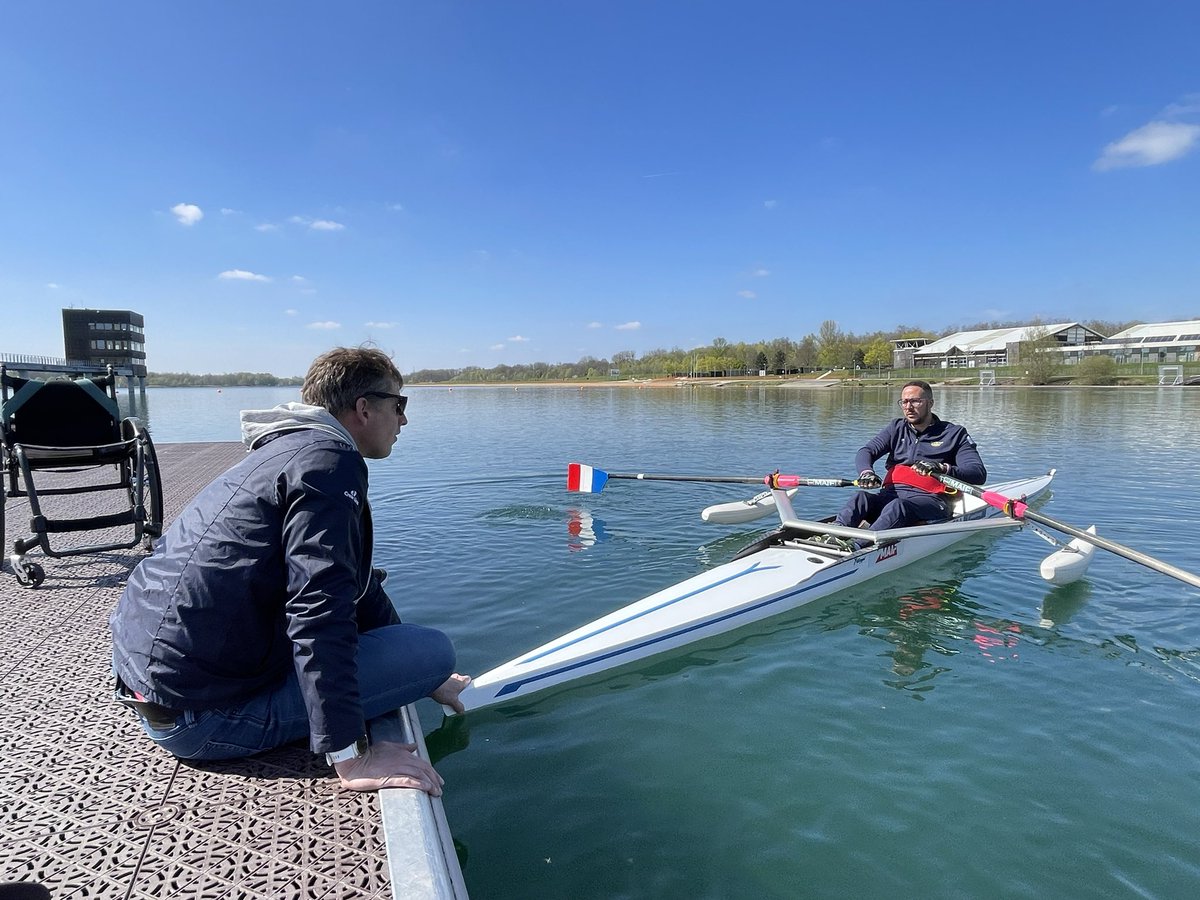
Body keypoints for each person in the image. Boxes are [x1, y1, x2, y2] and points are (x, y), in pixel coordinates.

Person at [110, 346, 470, 795]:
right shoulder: (331, 463)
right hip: (202, 719)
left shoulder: (288, 450)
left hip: (151, 685)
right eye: (399, 406)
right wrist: (349, 755)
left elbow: (354, 585)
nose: (404, 421)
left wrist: (421, 679)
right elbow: (319, 606)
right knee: (434, 650)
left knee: (420, 659)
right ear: (363, 408)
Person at [831, 379, 986, 536]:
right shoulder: (896, 428)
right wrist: (867, 472)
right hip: (890, 496)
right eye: (904, 402)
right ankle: (833, 535)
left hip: (933, 501)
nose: (908, 407)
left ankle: (859, 546)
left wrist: (942, 468)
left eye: (915, 401)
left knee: (899, 506)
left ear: (930, 403)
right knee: (860, 498)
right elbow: (867, 451)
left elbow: (978, 473)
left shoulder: (954, 434)